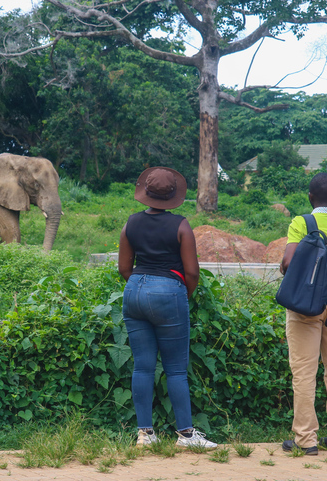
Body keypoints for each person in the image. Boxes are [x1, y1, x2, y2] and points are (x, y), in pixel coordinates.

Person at [118, 166, 217, 449]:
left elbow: (124, 268)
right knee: (174, 370)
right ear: (174, 195)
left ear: (145, 193)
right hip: (168, 292)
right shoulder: (181, 225)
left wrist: (142, 286)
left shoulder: (130, 224)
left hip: (134, 291)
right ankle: (186, 435)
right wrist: (179, 293)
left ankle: (145, 435)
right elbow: (193, 272)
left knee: (143, 367)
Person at [280, 173, 327, 455]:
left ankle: (306, 440)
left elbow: (288, 262)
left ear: (310, 197)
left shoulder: (302, 222)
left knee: (304, 371)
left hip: (306, 303)